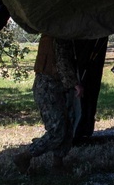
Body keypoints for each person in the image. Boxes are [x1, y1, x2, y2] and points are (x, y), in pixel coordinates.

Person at [13, 35, 82, 173]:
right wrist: (74, 84)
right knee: (57, 129)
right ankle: (25, 156)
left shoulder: (56, 33)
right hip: (48, 86)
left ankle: (58, 164)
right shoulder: (59, 35)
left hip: (57, 86)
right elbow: (62, 62)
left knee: (67, 125)